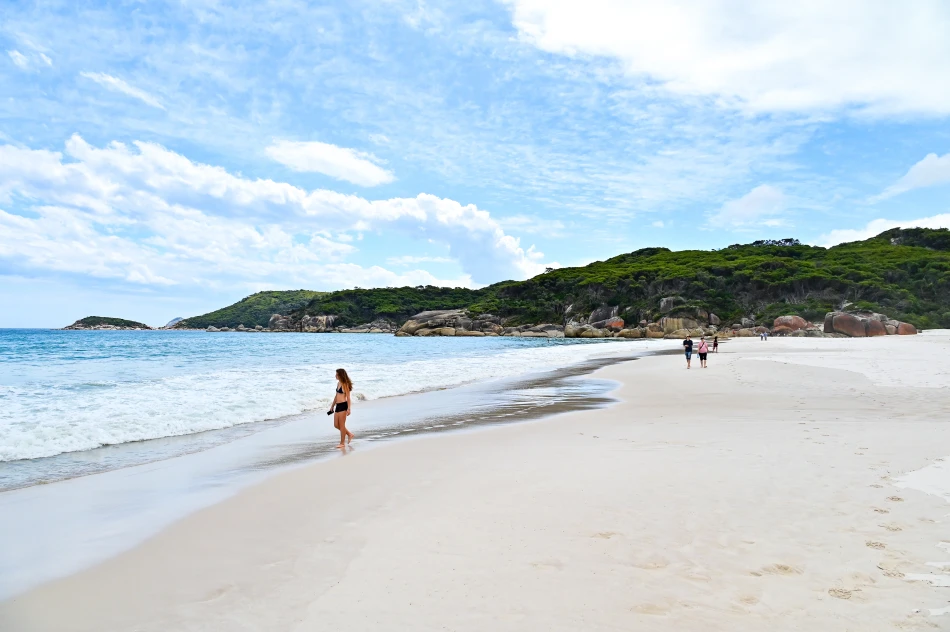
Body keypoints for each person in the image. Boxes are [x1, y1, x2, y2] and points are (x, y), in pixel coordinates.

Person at [328, 368, 354, 448]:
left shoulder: (345, 384)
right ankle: (349, 434)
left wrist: (349, 409)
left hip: (343, 405)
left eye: (337, 374)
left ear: (340, 375)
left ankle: (342, 443)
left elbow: (348, 398)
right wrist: (332, 406)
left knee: (342, 425)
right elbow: (336, 396)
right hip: (337, 406)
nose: (335, 376)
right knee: (336, 425)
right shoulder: (338, 383)